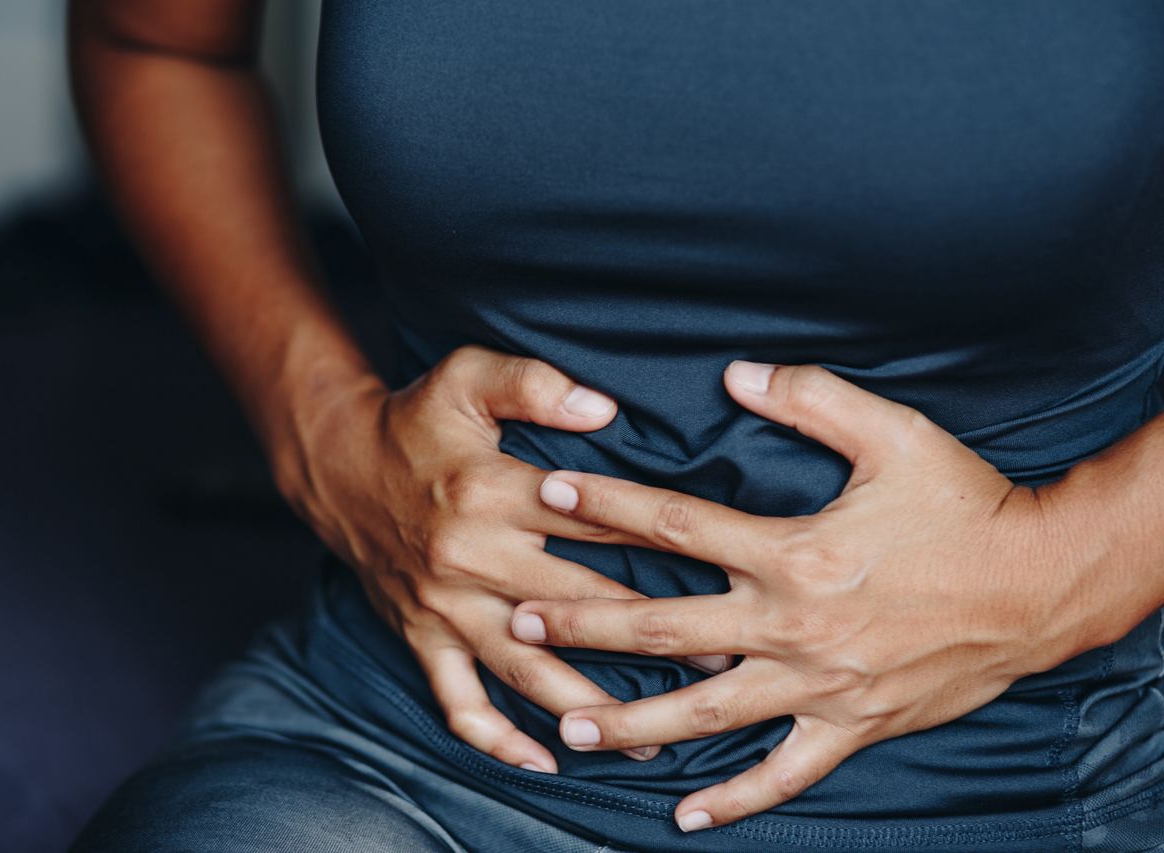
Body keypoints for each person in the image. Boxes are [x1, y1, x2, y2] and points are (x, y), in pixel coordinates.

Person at [66, 1, 1164, 850]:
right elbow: (155, 43)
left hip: (1030, 756)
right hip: (411, 741)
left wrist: (1060, 564)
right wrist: (321, 432)